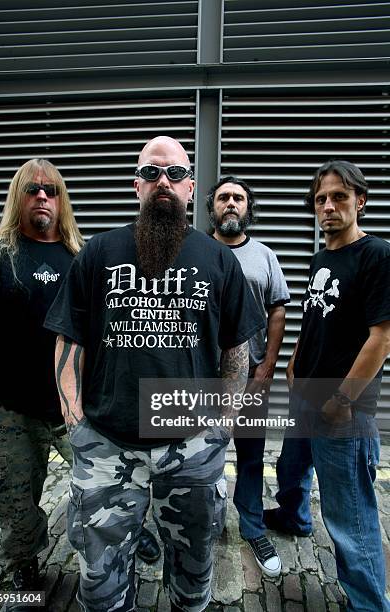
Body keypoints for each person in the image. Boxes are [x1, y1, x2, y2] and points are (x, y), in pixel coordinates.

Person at [44, 135, 262, 612]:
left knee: (193, 578)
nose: (163, 181)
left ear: (189, 188)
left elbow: (236, 349)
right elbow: (69, 339)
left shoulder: (218, 259)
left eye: (175, 174)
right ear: (135, 186)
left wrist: (223, 422)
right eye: (151, 173)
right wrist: (75, 419)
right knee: (100, 588)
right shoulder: (98, 253)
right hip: (107, 445)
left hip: (192, 450)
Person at [263, 160, 390, 611]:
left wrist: (342, 399)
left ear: (360, 201)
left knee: (349, 516)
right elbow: (317, 316)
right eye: (321, 199)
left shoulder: (377, 255)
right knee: (291, 468)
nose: (329, 206)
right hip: (305, 394)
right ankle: (295, 518)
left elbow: (382, 336)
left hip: (343, 406)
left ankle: (369, 604)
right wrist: (296, 361)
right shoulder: (322, 258)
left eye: (339, 196)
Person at [0, 159, 84, 609]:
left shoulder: (82, 258)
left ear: (61, 200)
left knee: (106, 490)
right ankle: (23, 573)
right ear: (17, 196)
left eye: (51, 190)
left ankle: (110, 562)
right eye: (32, 189)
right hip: (10, 411)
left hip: (73, 411)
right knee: (14, 507)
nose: (42, 196)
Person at [206, 176, 289, 577]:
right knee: (202, 455)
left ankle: (254, 528)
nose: (231, 204)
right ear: (212, 208)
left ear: (248, 208)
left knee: (252, 457)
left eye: (239, 198)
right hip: (203, 380)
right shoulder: (195, 251)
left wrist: (267, 367)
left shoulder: (264, 256)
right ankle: (203, 523)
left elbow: (277, 310)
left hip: (253, 378)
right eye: (223, 198)